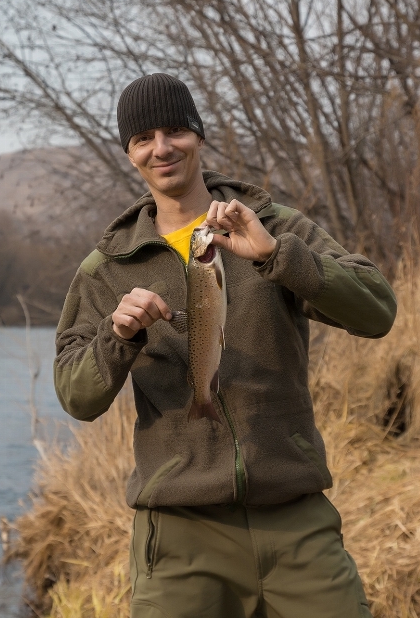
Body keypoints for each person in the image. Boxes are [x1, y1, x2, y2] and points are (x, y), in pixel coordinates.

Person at [54, 73, 396, 618]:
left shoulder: (275, 225)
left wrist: (275, 256)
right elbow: (76, 397)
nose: (161, 148)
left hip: (297, 521)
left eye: (174, 131)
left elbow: (378, 311)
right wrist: (116, 338)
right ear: (130, 154)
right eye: (144, 138)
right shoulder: (107, 268)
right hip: (180, 536)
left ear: (198, 135)